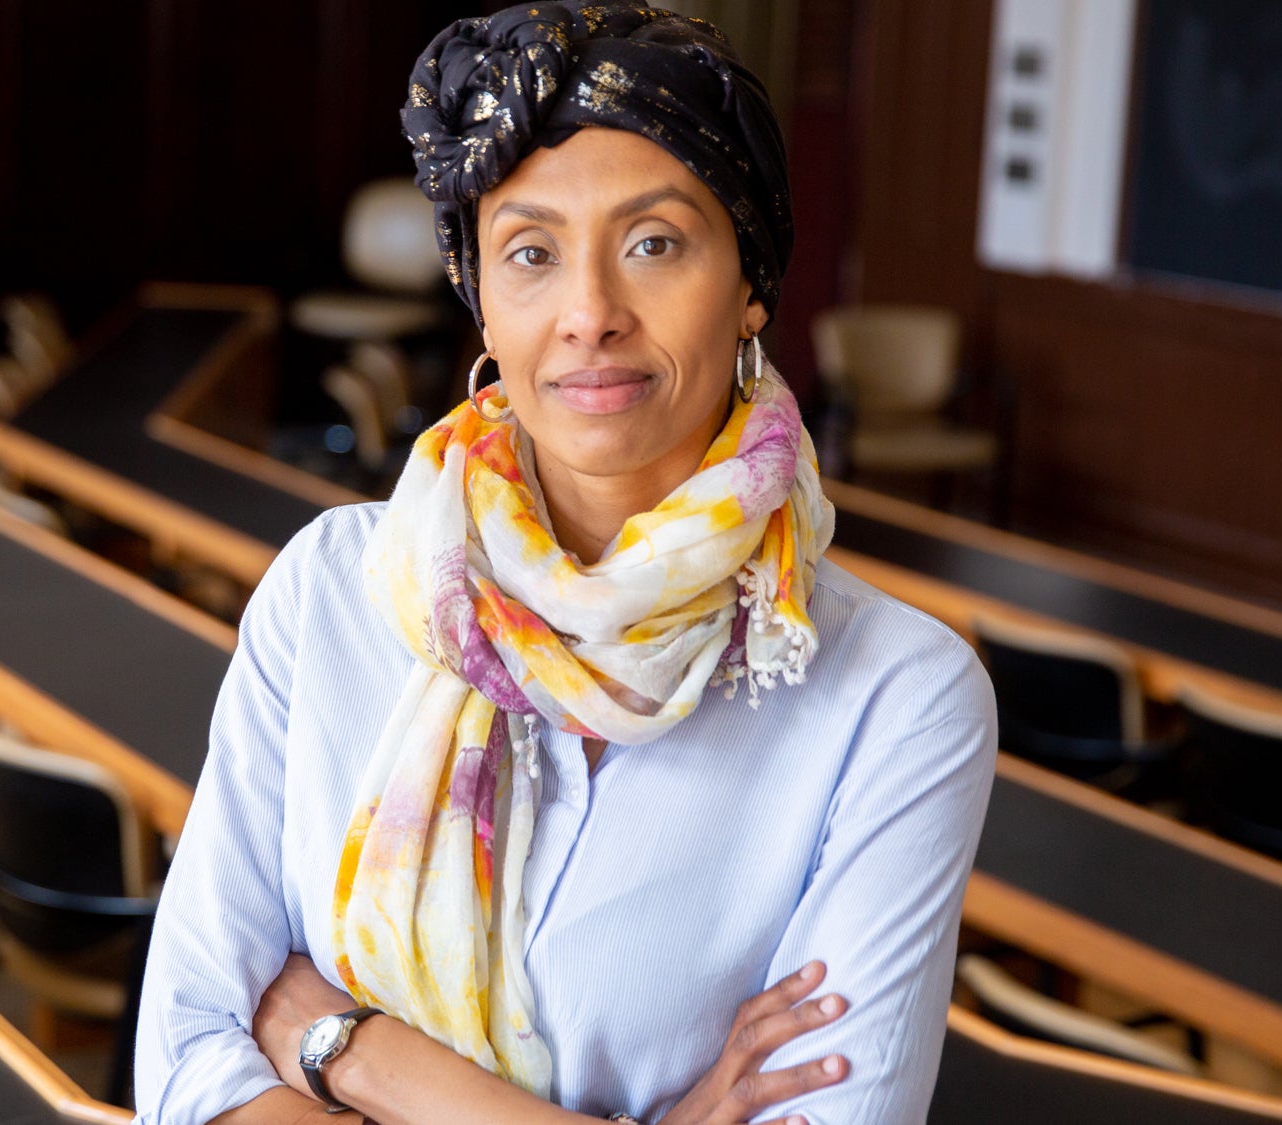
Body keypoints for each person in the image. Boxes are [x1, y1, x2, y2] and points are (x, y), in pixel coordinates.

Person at [133, 5, 996, 1123]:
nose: (588, 314)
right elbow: (186, 1066)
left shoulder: (898, 696)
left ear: (749, 284)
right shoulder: (329, 592)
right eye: (530, 253)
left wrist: (342, 1046)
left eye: (653, 244)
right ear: (480, 294)